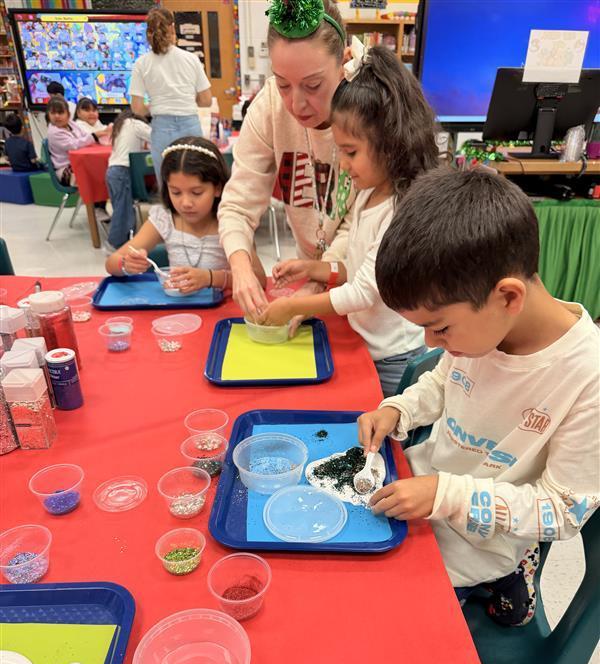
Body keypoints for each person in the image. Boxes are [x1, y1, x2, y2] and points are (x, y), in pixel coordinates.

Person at [358, 168, 600, 626]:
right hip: (425, 499)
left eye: (441, 327)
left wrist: (446, 494)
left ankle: (511, 577)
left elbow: (563, 511)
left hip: (478, 545)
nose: (429, 343)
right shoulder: (482, 332)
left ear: (508, 296)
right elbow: (442, 382)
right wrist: (399, 408)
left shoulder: (587, 376)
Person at [259, 43, 439, 396]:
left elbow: (363, 292)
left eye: (351, 152)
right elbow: (360, 267)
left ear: (391, 143)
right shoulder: (369, 194)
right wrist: (315, 270)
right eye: (340, 150)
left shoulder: (397, 211)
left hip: (393, 359)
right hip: (366, 344)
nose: (343, 164)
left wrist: (294, 306)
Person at [217, 0, 356, 319]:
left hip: (358, 281)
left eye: (313, 85)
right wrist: (240, 267)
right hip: (309, 271)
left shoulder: (365, 111)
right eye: (282, 84)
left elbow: (360, 225)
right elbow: (238, 203)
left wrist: (319, 278)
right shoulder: (268, 107)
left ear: (343, 63)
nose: (296, 104)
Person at [105, 137, 265, 294]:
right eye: (176, 192)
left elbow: (259, 279)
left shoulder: (231, 222)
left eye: (196, 192)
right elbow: (111, 262)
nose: (186, 203)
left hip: (223, 312)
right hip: (178, 311)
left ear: (218, 188)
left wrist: (211, 278)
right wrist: (125, 264)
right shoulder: (165, 220)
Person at [129, 8, 211, 183]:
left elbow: (137, 109)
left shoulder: (141, 64)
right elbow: (206, 100)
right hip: (190, 126)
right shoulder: (191, 59)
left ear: (148, 33)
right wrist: (187, 98)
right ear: (173, 29)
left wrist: (154, 106)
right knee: (195, 182)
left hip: (161, 128)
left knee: (168, 186)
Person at [104, 110, 152, 251]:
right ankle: (115, 244)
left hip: (112, 171)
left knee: (120, 207)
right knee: (123, 210)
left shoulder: (120, 126)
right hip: (122, 171)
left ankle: (121, 241)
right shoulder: (135, 124)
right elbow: (155, 136)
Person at [46, 96, 96, 185]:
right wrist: (95, 136)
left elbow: (84, 135)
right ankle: (89, 197)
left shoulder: (71, 124)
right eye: (53, 113)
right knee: (93, 175)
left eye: (60, 112)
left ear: (68, 115)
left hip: (78, 162)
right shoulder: (53, 132)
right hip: (66, 169)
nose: (57, 116)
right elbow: (74, 146)